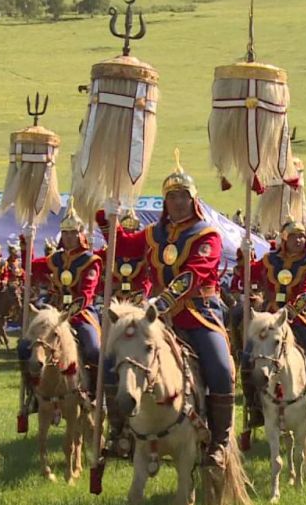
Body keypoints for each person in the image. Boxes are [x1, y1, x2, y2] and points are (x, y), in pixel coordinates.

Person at [96, 159, 234, 468]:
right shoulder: (152, 234)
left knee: (221, 369)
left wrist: (160, 303)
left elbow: (194, 275)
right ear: (165, 202)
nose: (178, 202)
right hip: (156, 319)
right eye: (172, 197)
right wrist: (108, 217)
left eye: (183, 196)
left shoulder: (207, 235)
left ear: (193, 200)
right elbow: (123, 247)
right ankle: (118, 430)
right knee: (114, 358)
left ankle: (220, 443)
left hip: (198, 314)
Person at [18, 202, 102, 432]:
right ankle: (33, 392)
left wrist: (66, 316)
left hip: (81, 315)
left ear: (81, 234)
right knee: (25, 346)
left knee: (93, 348)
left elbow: (86, 295)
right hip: (53, 314)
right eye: (65, 233)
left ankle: (93, 394)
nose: (69, 237)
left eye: (73, 233)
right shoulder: (55, 260)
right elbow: (31, 268)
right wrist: (27, 244)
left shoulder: (91, 261)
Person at [252, 217, 306, 428]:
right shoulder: (270, 260)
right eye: (294, 236)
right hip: (270, 319)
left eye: (301, 236)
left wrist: (288, 314)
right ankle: (256, 407)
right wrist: (244, 257)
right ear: (284, 238)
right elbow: (250, 272)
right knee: (248, 358)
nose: (299, 240)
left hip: (301, 318)